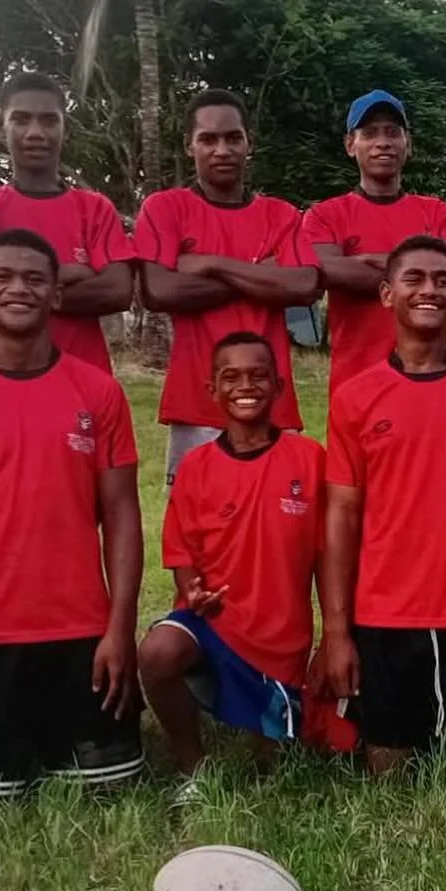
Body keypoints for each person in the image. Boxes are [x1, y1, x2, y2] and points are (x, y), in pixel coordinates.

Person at [0, 229, 144, 797]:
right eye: (4, 277)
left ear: (57, 295)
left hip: (81, 632)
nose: (20, 289)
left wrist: (120, 632)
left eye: (36, 278)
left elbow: (122, 518)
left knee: (104, 783)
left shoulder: (99, 393)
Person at [320, 235, 446, 775]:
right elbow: (340, 517)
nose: (429, 289)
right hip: (384, 614)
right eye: (413, 279)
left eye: (442, 280)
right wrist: (337, 630)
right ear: (387, 294)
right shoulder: (356, 398)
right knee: (388, 770)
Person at [140, 331, 325, 783]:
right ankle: (192, 767)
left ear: (280, 387)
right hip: (213, 623)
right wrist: (192, 589)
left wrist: (336, 636)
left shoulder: (310, 459)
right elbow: (181, 549)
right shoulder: (196, 467)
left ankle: (265, 713)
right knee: (158, 653)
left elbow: (330, 555)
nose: (246, 386)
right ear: (213, 390)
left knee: (272, 767)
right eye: (231, 377)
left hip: (280, 638)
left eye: (259, 376)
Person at [134, 89, 321, 485]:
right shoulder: (165, 208)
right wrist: (262, 275)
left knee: (282, 535)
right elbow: (159, 291)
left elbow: (305, 285)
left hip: (273, 407)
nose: (222, 149)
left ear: (248, 144)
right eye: (208, 139)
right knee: (198, 536)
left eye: (233, 138)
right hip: (197, 406)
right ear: (190, 146)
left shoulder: (281, 215)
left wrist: (210, 264)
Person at [299, 90, 446, 397]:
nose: (383, 142)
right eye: (370, 133)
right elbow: (326, 271)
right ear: (351, 145)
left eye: (393, 132)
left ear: (408, 144)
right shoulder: (325, 215)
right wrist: (426, 267)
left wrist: (364, 261)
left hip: (432, 381)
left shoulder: (437, 212)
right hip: (355, 385)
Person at [0, 72, 135, 373]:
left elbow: (117, 291)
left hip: (85, 381)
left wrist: (15, 291)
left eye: (49, 120)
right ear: (0, 128)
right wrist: (73, 272)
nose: (35, 132)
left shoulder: (95, 208)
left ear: (65, 128)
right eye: (21, 120)